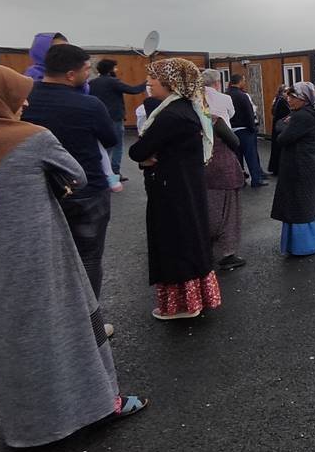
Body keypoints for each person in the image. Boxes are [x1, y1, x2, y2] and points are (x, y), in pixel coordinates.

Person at [0, 65, 146, 448]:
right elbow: (77, 176)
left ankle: (30, 428)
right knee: (74, 328)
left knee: (11, 343)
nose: (26, 101)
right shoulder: (32, 139)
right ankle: (100, 405)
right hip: (40, 254)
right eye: (17, 95)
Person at [21, 44, 120, 337]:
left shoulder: (25, 100)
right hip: (87, 189)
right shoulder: (88, 105)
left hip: (39, 190)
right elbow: (110, 138)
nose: (89, 75)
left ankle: (50, 322)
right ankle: (88, 326)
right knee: (89, 257)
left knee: (46, 258)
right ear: (70, 74)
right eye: (87, 69)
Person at [129, 58, 221, 320]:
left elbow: (137, 150)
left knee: (175, 241)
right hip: (186, 185)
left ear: (171, 82)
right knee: (190, 237)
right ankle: (197, 299)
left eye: (154, 78)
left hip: (171, 190)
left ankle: (183, 305)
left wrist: (146, 157)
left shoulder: (170, 114)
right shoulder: (189, 109)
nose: (149, 82)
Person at [272, 83, 315, 256]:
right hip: (306, 163)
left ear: (303, 99)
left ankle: (302, 246)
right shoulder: (310, 113)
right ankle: (304, 244)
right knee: (302, 202)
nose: (289, 99)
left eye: (292, 97)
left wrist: (281, 124)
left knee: (299, 203)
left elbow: (282, 138)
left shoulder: (302, 116)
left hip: (300, 165)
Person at [89, 59, 148, 179]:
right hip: (114, 118)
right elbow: (133, 90)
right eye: (115, 67)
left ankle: (102, 170)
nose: (116, 70)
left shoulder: (92, 83)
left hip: (98, 118)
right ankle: (114, 172)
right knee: (117, 145)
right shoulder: (113, 82)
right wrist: (148, 82)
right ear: (110, 69)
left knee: (102, 146)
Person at [205, 106, 245, 271]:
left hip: (200, 172)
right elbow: (235, 141)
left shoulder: (184, 121)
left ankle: (205, 248)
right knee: (228, 213)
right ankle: (227, 253)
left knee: (206, 209)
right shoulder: (214, 121)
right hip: (223, 169)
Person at [227, 74, 268, 188]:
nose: (244, 82)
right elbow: (249, 114)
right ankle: (256, 180)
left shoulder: (226, 95)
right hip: (245, 130)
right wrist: (253, 129)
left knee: (237, 156)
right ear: (239, 81)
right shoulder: (242, 96)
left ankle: (240, 180)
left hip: (231, 130)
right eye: (244, 80)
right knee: (251, 156)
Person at [267, 85, 289, 175]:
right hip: (281, 127)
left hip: (277, 126)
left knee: (276, 148)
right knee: (279, 149)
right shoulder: (282, 101)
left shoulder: (277, 99)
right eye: (286, 92)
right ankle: (278, 169)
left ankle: (275, 168)